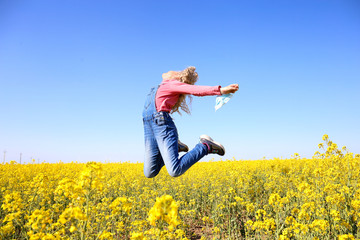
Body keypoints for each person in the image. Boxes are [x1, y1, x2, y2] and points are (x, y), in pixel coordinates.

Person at [142, 66, 239, 178]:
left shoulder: (172, 84)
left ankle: (205, 146)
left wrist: (221, 90)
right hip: (148, 126)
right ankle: (176, 147)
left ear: (176, 78)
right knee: (150, 172)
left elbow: (196, 90)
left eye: (178, 72)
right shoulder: (157, 88)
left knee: (175, 171)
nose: (173, 70)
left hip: (162, 124)